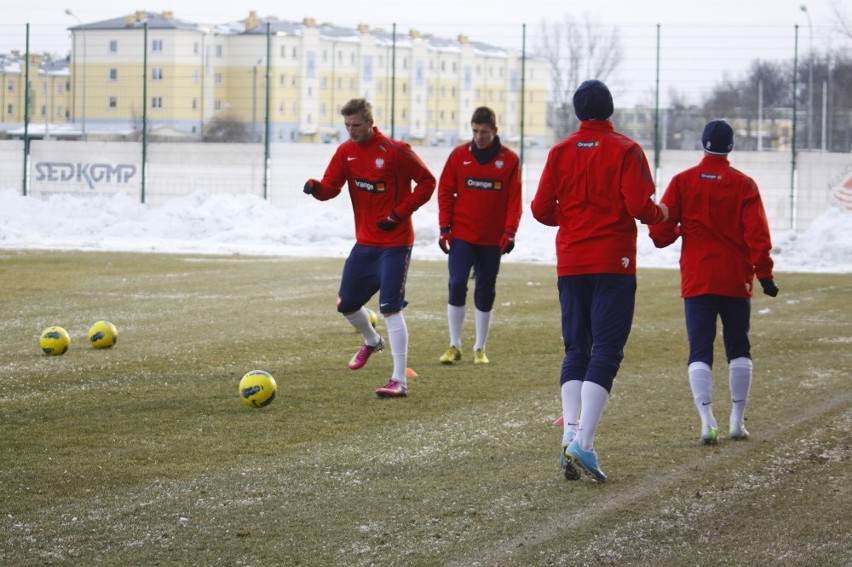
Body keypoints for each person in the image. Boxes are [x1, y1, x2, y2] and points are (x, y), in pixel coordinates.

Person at [530, 80, 669, 482]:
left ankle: (570, 434)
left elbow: (540, 209)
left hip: (571, 259)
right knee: (606, 350)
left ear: (577, 112)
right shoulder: (626, 149)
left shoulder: (559, 151)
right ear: (610, 110)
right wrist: (660, 214)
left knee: (576, 348)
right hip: (613, 259)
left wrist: (573, 219)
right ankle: (583, 443)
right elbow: (639, 206)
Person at [649, 119, 778, 445]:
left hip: (698, 279)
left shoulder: (682, 181)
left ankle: (707, 421)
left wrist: (679, 230)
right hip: (735, 279)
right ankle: (737, 420)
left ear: (703, 143)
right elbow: (757, 235)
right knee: (739, 347)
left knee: (699, 349)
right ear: (730, 146)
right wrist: (764, 273)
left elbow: (659, 232)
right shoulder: (744, 184)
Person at [304, 98, 436, 398]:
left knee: (389, 307)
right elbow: (330, 187)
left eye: (356, 125)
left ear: (369, 121)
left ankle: (399, 380)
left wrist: (398, 214)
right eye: (347, 126)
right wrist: (315, 188)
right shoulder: (346, 152)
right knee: (346, 304)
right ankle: (372, 341)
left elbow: (428, 182)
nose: (351, 131)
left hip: (396, 243)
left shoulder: (395, 151)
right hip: (365, 243)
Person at [436, 107, 523, 365]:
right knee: (457, 283)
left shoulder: (509, 160)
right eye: (475, 131)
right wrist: (444, 229)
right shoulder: (459, 156)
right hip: (462, 235)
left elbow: (514, 200)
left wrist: (510, 232)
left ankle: (479, 348)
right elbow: (445, 192)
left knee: (485, 290)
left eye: (484, 132)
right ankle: (454, 346)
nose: (478, 136)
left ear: (495, 131)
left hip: (492, 239)